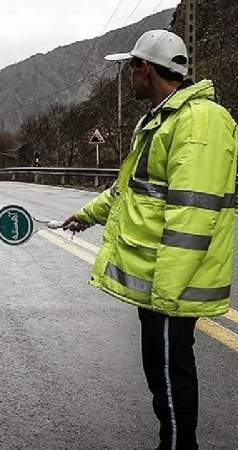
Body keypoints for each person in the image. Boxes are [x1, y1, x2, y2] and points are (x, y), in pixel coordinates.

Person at [62, 30, 237, 450]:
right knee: (162, 373)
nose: (128, 77)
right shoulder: (164, 118)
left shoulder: (198, 122)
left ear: (145, 67)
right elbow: (133, 190)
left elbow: (192, 213)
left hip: (170, 283)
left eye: (130, 67)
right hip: (161, 281)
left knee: (170, 375)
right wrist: (85, 216)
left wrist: (165, 292)